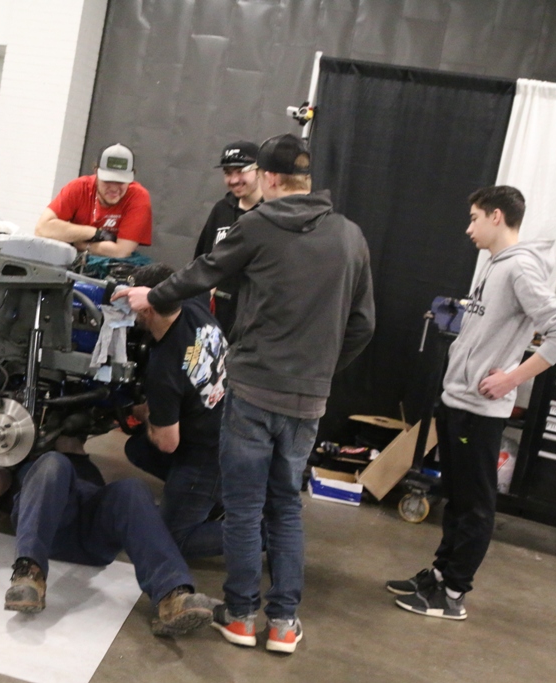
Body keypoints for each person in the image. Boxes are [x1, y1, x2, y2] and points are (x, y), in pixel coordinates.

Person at [114, 133, 375, 654]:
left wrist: (152, 294)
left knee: (244, 507)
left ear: (270, 178)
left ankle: (239, 617)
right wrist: (320, 372)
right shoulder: (351, 236)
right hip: (307, 399)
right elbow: (363, 325)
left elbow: (202, 270)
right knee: (285, 507)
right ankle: (283, 625)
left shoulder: (259, 225)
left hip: (253, 392)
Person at [387, 186, 556, 620]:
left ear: (496, 216)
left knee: (475, 506)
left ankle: (453, 594)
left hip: (480, 413)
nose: (468, 228)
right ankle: (440, 574)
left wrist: (512, 379)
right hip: (458, 402)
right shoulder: (495, 265)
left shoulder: (521, 268)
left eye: (474, 218)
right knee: (458, 500)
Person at [0, 436, 216, 637]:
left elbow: (72, 443)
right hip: (50, 527)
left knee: (132, 489)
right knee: (53, 462)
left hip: (93, 531)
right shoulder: (28, 467)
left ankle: (172, 596)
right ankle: (29, 574)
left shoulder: (78, 458)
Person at [123, 263, 226, 559]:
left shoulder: (164, 369)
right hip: (230, 425)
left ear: (147, 309)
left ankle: (263, 532)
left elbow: (168, 443)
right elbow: (210, 283)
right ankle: (211, 500)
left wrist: (146, 415)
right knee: (138, 448)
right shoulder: (192, 305)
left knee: (171, 541)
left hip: (207, 455)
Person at [34, 143, 152, 258]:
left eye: (121, 181)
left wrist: (80, 244)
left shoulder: (138, 197)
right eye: (108, 180)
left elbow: (121, 252)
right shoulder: (78, 188)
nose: (114, 188)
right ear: (96, 172)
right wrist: (95, 233)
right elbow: (42, 228)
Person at [193, 140, 263, 332]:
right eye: (228, 173)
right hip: (219, 316)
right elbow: (202, 261)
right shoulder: (221, 210)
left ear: (259, 170)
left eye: (240, 171)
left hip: (255, 318)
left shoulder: (271, 213)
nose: (233, 180)